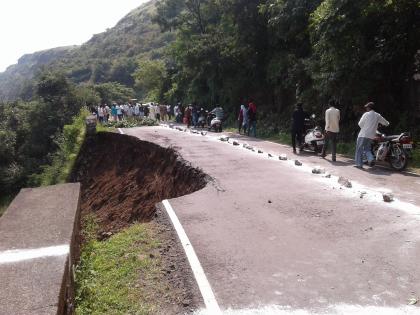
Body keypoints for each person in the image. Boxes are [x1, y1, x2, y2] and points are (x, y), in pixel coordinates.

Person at [355, 102, 389, 169]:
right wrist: (383, 124)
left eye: (367, 107)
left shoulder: (366, 114)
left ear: (369, 108)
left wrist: (365, 127)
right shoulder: (377, 115)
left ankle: (359, 164)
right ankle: (370, 159)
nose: (366, 109)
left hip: (363, 134)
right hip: (371, 136)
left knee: (359, 149)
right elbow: (386, 123)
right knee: (367, 149)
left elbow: (360, 124)